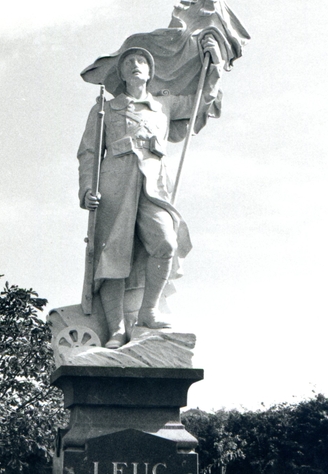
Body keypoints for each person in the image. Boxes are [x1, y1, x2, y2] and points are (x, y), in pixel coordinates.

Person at [78, 37, 223, 348]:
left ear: (149, 71)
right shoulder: (105, 109)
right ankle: (116, 329)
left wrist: (215, 64)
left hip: (154, 182)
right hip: (115, 182)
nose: (134, 64)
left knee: (165, 242)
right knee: (114, 255)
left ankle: (149, 313)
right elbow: (89, 152)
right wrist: (87, 188)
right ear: (121, 73)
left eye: (141, 61)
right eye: (128, 62)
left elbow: (202, 100)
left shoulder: (164, 104)